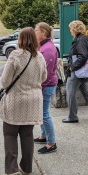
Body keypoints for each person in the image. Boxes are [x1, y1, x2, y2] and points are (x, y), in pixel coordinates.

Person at [0, 27, 47, 175]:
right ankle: (27, 167)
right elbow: (44, 77)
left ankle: (12, 169)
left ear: (20, 39)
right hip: (33, 101)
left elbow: (5, 81)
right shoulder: (39, 56)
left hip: (16, 100)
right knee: (27, 136)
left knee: (10, 135)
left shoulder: (15, 55)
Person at [34, 22, 58, 154]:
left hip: (46, 86)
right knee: (42, 113)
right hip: (45, 85)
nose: (34, 32)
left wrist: (40, 87)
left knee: (44, 114)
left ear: (43, 32)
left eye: (36, 30)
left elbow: (46, 74)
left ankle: (51, 143)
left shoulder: (47, 48)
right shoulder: (44, 46)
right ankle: (44, 136)